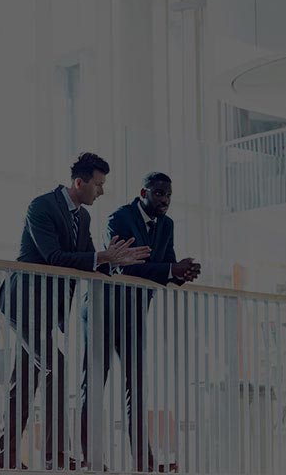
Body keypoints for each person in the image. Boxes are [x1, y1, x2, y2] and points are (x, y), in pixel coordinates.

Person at [0, 153, 150, 469]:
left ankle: (5, 458)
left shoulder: (84, 217)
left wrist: (114, 263)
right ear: (79, 182)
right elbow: (53, 256)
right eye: (98, 184)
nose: (101, 191)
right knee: (57, 365)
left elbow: (89, 260)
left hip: (46, 311)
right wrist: (104, 257)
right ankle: (56, 455)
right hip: (22, 302)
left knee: (24, 379)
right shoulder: (42, 207)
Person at [80, 171, 200, 472]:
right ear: (143, 192)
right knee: (94, 386)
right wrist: (169, 268)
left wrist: (180, 273)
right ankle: (92, 460)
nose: (165, 200)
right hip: (103, 311)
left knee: (137, 387)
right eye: (159, 193)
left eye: (169, 195)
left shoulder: (167, 225)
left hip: (133, 313)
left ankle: (143, 463)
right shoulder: (119, 218)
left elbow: (163, 267)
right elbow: (124, 268)